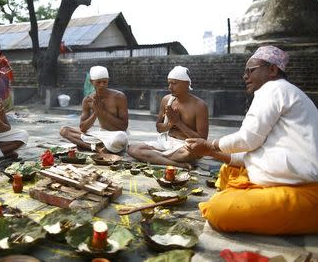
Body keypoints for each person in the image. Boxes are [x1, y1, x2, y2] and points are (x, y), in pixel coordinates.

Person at [185, 46, 318, 235]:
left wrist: (209, 144)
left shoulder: (274, 88)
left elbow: (248, 140)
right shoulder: (284, 92)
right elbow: (253, 151)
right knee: (228, 170)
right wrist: (210, 152)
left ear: (272, 70)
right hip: (285, 179)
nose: (245, 76)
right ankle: (249, 197)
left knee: (218, 210)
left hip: (303, 192)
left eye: (251, 70)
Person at [127, 66, 208, 168]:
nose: (170, 87)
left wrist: (178, 122)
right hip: (165, 142)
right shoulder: (167, 100)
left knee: (191, 153)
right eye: (169, 83)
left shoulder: (199, 105)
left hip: (184, 146)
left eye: (174, 83)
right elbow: (159, 128)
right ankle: (176, 163)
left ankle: (155, 157)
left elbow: (202, 140)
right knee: (132, 149)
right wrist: (170, 124)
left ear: (186, 84)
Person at [60, 66, 129, 153]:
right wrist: (96, 112)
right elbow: (83, 128)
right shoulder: (88, 100)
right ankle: (98, 149)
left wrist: (102, 111)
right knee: (64, 130)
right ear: (91, 82)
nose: (102, 85)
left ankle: (89, 145)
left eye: (105, 82)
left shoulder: (119, 97)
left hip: (115, 134)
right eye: (98, 82)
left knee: (121, 137)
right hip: (100, 135)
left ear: (108, 80)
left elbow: (123, 126)